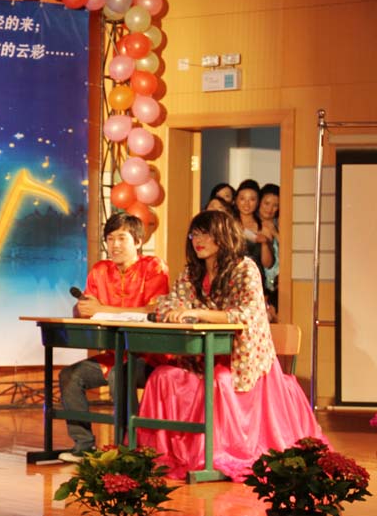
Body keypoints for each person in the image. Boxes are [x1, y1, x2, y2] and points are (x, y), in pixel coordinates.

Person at [137, 210, 325, 480]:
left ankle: (213, 454)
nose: (198, 241)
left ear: (223, 236)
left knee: (219, 381)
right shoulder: (192, 271)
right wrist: (177, 311)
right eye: (194, 235)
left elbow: (247, 313)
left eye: (205, 234)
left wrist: (200, 313)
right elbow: (170, 303)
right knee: (162, 376)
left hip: (241, 361)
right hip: (201, 358)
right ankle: (158, 452)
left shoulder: (244, 268)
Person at [57, 213, 170, 463]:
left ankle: (129, 448)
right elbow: (86, 310)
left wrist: (103, 309)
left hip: (149, 357)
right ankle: (84, 446)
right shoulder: (100, 270)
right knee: (69, 376)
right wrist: (82, 308)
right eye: (110, 239)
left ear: (138, 242)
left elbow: (154, 311)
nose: (115, 245)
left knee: (120, 374)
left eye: (122, 238)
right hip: (113, 355)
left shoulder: (153, 267)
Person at [234, 179, 274, 288]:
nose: (247, 204)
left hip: (255, 279)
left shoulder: (264, 228)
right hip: (232, 276)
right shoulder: (229, 224)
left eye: (252, 199)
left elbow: (268, 264)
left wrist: (265, 244)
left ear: (258, 202)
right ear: (236, 200)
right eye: (242, 199)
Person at [258, 183, 280, 313]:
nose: (270, 209)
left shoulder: (281, 224)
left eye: (275, 205)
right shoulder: (252, 225)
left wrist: (275, 233)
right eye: (266, 203)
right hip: (261, 279)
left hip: (279, 281)